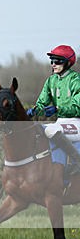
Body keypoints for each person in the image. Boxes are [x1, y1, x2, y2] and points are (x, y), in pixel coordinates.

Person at [26, 44, 80, 174]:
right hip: (61, 122)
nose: (53, 64)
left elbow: (77, 107)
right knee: (37, 129)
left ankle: (77, 161)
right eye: (52, 61)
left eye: (57, 61)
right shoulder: (51, 80)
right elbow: (41, 103)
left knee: (50, 129)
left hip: (76, 122)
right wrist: (34, 111)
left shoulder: (76, 80)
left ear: (67, 63)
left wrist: (57, 109)